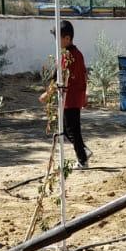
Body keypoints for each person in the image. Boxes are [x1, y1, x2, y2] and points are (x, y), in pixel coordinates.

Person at [40, 20, 89, 168]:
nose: (56, 42)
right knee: (69, 129)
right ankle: (83, 151)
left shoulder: (67, 56)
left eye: (58, 38)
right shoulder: (77, 54)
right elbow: (84, 74)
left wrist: (47, 94)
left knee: (71, 130)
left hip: (70, 98)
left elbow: (58, 79)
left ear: (67, 38)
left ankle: (83, 158)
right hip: (74, 97)